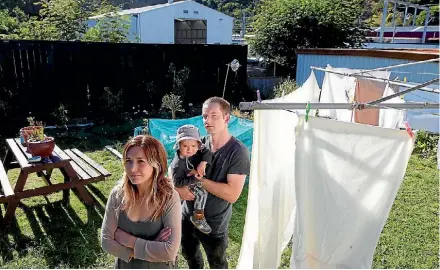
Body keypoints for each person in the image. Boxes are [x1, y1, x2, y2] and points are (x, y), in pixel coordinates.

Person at [174, 97, 251, 269]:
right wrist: (178, 188)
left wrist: (199, 179)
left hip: (214, 224)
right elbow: (178, 169)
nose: (207, 120)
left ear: (226, 118)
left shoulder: (238, 152)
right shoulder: (197, 144)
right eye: (204, 116)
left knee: (217, 263)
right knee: (190, 256)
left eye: (213, 115)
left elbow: (232, 195)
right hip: (186, 215)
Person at [101, 135, 182, 269]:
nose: (132, 169)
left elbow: (169, 251)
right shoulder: (117, 195)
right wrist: (151, 245)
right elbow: (106, 242)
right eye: (129, 161)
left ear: (156, 163)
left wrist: (128, 240)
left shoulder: (169, 197)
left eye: (140, 161)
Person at [170, 124, 213, 234]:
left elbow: (207, 152)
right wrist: (194, 179)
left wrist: (203, 163)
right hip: (185, 182)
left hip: (191, 178)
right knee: (202, 193)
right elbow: (177, 183)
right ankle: (198, 218)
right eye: (185, 146)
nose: (190, 149)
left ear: (198, 145)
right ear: (179, 145)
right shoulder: (177, 165)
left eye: (194, 146)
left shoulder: (198, 148)